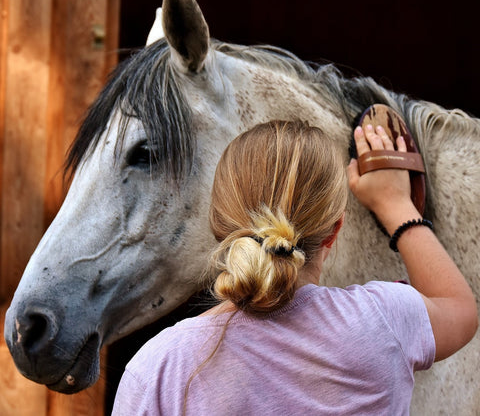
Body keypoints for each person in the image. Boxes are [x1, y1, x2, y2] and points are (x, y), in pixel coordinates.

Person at [112, 118, 477, 415]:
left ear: (218, 225)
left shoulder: (158, 371)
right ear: (335, 230)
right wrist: (395, 204)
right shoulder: (384, 320)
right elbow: (459, 309)